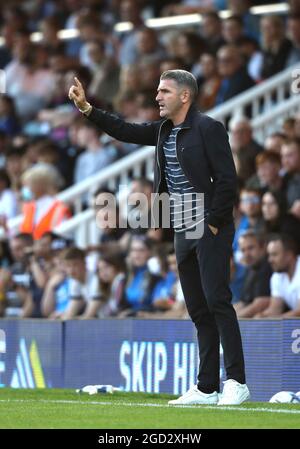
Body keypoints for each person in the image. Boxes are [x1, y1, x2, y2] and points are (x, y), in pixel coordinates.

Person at [68, 69, 250, 405]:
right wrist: (88, 110)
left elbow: (227, 179)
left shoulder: (209, 128)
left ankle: (236, 381)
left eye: (164, 91)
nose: (157, 97)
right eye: (157, 91)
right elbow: (125, 130)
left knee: (217, 300)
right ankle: (207, 387)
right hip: (182, 226)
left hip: (209, 224)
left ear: (185, 96)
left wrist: (212, 222)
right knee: (197, 308)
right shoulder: (164, 130)